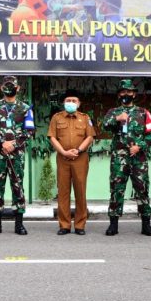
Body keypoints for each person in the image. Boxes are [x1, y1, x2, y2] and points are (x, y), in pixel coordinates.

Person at [101, 79, 151, 236]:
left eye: (129, 92)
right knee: (116, 190)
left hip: (139, 158)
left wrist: (139, 145)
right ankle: (113, 224)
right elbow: (104, 126)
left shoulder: (143, 112)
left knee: (142, 189)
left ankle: (146, 224)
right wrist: (117, 119)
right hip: (119, 159)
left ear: (134, 94)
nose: (126, 94)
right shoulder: (113, 111)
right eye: (123, 92)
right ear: (119, 94)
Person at [0, 75, 35, 235]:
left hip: (17, 156)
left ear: (18, 88)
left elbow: (30, 130)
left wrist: (13, 144)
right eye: (6, 85)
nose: (9, 88)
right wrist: (2, 142)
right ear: (1, 88)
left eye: (12, 85)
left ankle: (19, 224)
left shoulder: (25, 108)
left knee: (17, 187)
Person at [47, 89, 96, 235]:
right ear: (63, 103)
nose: (71, 103)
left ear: (79, 103)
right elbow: (52, 137)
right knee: (63, 192)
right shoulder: (56, 118)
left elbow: (90, 136)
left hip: (80, 159)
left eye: (74, 101)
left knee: (80, 191)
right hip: (62, 159)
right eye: (68, 100)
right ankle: (64, 225)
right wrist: (63, 151)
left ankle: (80, 225)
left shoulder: (85, 118)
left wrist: (79, 150)